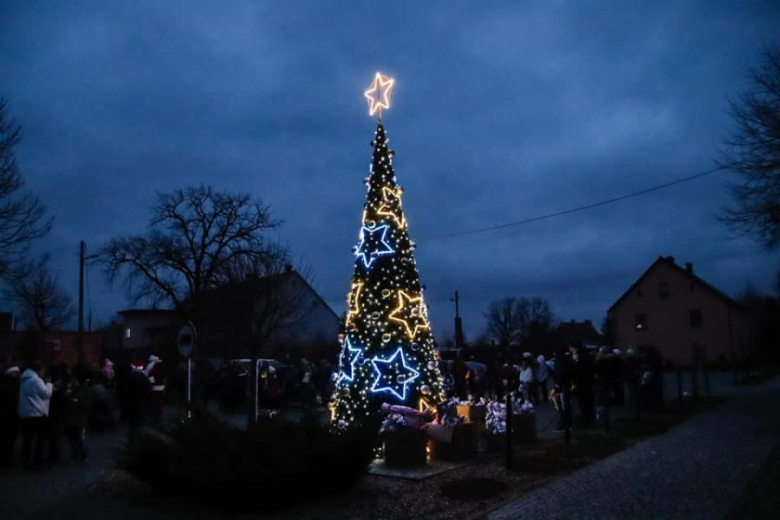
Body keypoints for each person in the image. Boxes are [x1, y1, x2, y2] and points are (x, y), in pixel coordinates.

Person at [18, 364, 53, 469]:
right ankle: (38, 462)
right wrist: (49, 384)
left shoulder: (24, 379)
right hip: (37, 414)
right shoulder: (36, 381)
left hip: (26, 413)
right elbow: (46, 394)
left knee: (27, 439)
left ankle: (26, 461)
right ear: (39, 370)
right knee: (40, 439)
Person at [123, 360, 152, 444]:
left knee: (132, 423)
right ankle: (140, 441)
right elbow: (148, 391)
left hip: (130, 403)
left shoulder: (128, 377)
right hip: (140, 403)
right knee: (140, 423)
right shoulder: (143, 377)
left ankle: (131, 440)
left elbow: (124, 390)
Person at [64, 375, 92, 462]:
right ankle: (77, 454)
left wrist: (78, 401)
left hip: (79, 418)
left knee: (79, 438)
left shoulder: (84, 390)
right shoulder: (73, 389)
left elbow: (88, 404)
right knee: (74, 438)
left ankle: (81, 454)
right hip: (74, 418)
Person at [0, 365, 21, 467]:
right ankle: (5, 459)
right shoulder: (11, 387)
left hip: (10, 416)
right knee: (7, 439)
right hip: (8, 416)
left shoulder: (11, 385)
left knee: (8, 439)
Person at [144, 355, 166, 423]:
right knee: (158, 401)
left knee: (155, 402)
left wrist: (151, 382)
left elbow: (151, 376)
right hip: (160, 386)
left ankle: (155, 417)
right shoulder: (160, 366)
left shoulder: (153, 366)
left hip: (154, 387)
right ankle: (158, 416)